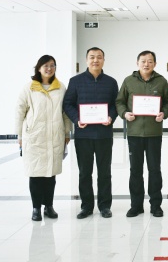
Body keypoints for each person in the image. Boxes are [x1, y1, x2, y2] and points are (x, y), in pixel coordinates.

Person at [62, 47, 118, 219]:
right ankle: (86, 206)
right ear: (86, 60)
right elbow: (68, 104)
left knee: (104, 172)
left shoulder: (111, 82)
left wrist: (111, 116)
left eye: (99, 57)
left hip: (104, 134)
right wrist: (77, 118)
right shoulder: (75, 81)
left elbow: (116, 104)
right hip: (83, 135)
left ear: (103, 60)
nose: (95, 60)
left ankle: (104, 206)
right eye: (92, 57)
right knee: (85, 172)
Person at [15, 55, 72, 221]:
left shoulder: (60, 87)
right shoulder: (29, 88)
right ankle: (35, 208)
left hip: (54, 136)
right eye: (46, 66)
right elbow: (19, 111)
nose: (49, 68)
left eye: (52, 65)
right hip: (35, 137)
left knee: (50, 175)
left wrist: (67, 132)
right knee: (35, 174)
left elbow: (65, 112)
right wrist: (19, 135)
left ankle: (49, 206)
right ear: (39, 68)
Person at [116, 50, 168, 218]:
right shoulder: (129, 81)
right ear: (137, 63)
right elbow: (119, 101)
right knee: (135, 170)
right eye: (143, 61)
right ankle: (136, 205)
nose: (146, 64)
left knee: (154, 170)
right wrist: (125, 114)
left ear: (155, 63)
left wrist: (164, 113)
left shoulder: (161, 81)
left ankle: (156, 205)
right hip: (134, 133)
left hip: (154, 133)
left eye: (150, 61)